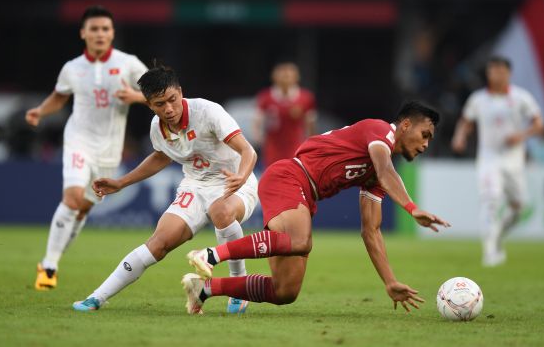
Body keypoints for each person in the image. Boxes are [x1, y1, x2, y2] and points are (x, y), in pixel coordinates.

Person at [182, 101, 450, 315]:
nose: (426, 144)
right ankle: (209, 255)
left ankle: (204, 289)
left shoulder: (376, 178)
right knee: (300, 241)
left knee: (284, 291)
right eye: (425, 134)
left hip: (304, 195)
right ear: (405, 125)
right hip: (289, 176)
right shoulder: (380, 131)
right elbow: (385, 169)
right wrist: (411, 207)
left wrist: (389, 281)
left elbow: (371, 231)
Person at [72, 65, 259, 314]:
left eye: (172, 99)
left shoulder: (208, 111)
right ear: (150, 104)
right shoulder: (156, 128)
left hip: (234, 180)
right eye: (160, 104)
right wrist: (120, 182)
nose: (169, 109)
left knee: (221, 212)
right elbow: (161, 157)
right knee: (158, 243)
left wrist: (241, 176)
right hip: (195, 186)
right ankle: (97, 297)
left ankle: (239, 288)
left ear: (180, 92)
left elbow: (248, 151)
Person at [25, 5, 149, 290]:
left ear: (112, 33)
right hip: (78, 140)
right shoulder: (72, 68)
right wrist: (40, 111)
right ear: (83, 33)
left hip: (109, 150)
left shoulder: (128, 63)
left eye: (105, 29)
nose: (100, 34)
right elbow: (59, 97)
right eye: (94, 29)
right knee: (71, 198)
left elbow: (157, 91)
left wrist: (134, 95)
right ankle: (50, 266)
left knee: (81, 210)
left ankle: (50, 260)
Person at [451, 56, 544, 267]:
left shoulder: (522, 98)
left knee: (519, 208)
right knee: (490, 200)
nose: (497, 74)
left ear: (509, 73)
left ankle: (498, 237)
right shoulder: (478, 99)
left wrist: (521, 135)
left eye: (501, 71)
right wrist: (459, 137)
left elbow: (539, 124)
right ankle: (489, 252)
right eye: (493, 70)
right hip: (488, 159)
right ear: (488, 73)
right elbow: (466, 121)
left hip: (514, 162)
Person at [252, 62, 317, 168]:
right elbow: (257, 121)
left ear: (297, 77)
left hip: (295, 146)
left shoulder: (305, 97)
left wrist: (311, 144)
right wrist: (258, 140)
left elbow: (310, 124)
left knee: (293, 173)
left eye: (289, 74)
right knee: (273, 173)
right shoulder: (266, 97)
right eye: (282, 74)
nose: (285, 77)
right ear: (274, 77)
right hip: (273, 148)